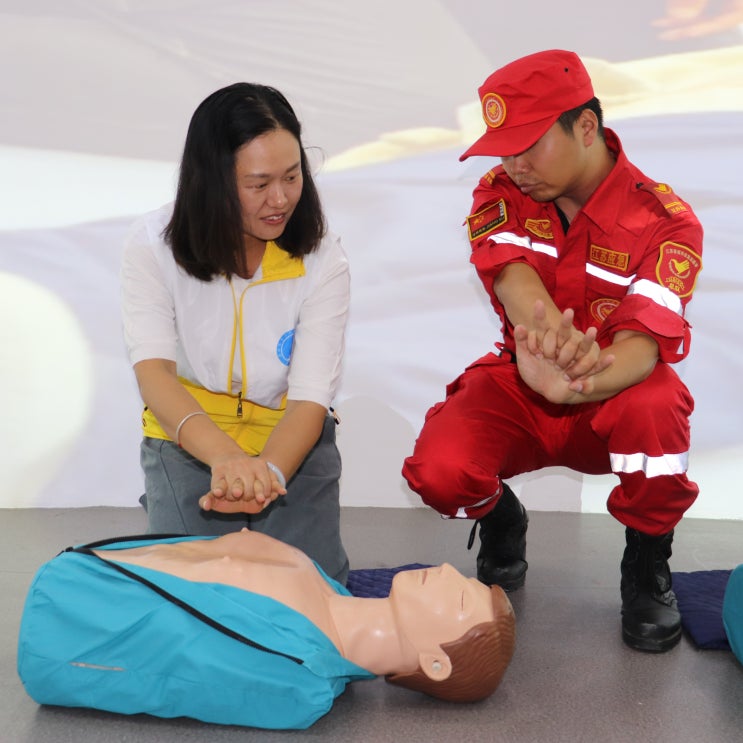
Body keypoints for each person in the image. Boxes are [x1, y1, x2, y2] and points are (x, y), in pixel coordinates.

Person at [402, 49, 703, 653]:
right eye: (503, 149)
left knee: (656, 406)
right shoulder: (498, 193)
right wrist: (542, 342)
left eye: (528, 145)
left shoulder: (667, 222)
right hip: (524, 382)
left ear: (585, 126)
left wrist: (579, 384)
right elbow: (515, 281)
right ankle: (501, 519)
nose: (514, 164)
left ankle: (647, 563)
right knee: (438, 470)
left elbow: (642, 348)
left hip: (610, 390)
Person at [121, 83, 350, 583]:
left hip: (291, 434)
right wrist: (224, 458)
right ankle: (171, 493)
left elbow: (311, 398)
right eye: (258, 183)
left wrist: (267, 473)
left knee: (311, 589)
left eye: (292, 177)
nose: (281, 198)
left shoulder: (323, 255)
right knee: (192, 592)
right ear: (213, 182)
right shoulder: (151, 246)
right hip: (191, 432)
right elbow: (155, 375)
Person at [93, 529, 516, 705]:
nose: (444, 570)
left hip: (84, 609)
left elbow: (166, 674)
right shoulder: (316, 581)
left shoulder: (301, 679)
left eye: (458, 598)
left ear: (435, 663)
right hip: (95, 570)